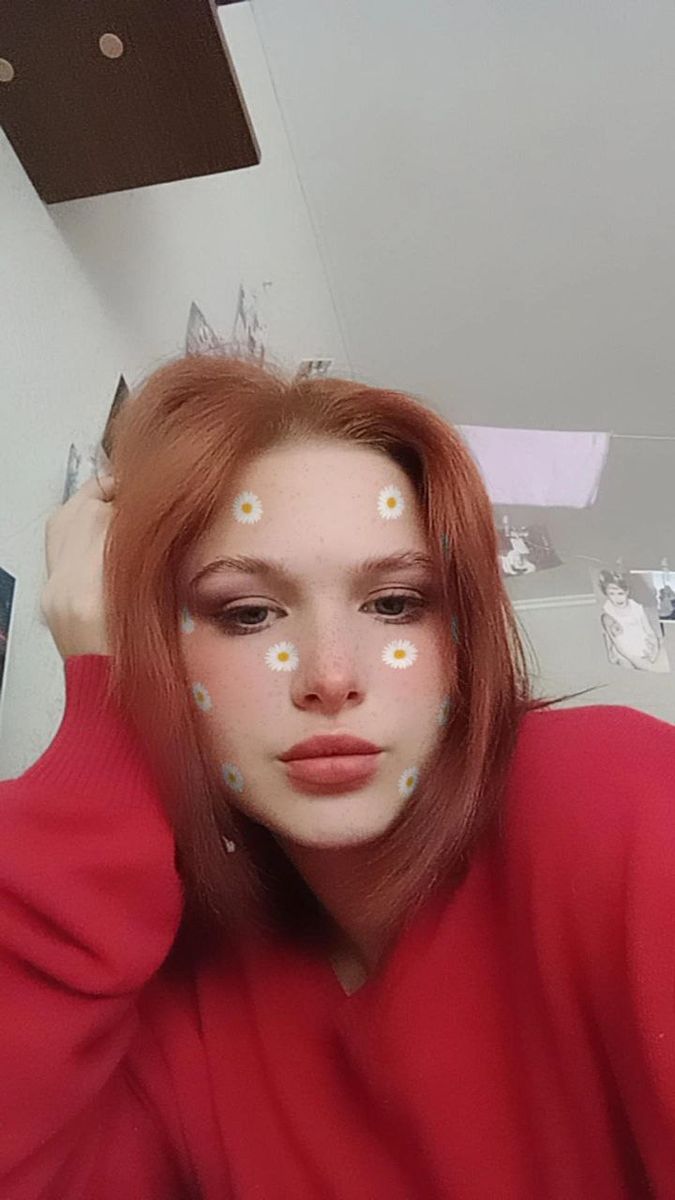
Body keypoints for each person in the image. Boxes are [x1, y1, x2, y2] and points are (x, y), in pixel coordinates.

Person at [2, 355, 675, 1200]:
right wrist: (108, 698)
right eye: (247, 613)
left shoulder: (613, 801)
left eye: (395, 603)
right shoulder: (177, 999)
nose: (329, 675)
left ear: (462, 637)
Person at [598, 571, 663, 671]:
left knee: (648, 667)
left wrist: (655, 649)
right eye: (611, 594)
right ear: (606, 594)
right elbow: (609, 634)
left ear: (627, 592)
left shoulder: (636, 608)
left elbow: (649, 629)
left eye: (620, 593)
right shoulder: (608, 609)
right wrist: (609, 650)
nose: (617, 598)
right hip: (621, 647)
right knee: (626, 667)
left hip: (640, 642)